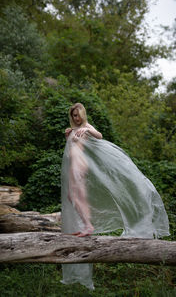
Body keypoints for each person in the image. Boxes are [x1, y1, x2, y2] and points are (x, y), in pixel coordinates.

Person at [60, 102, 170, 289]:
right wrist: (69, 133)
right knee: (74, 196)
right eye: (74, 115)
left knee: (77, 195)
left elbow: (99, 135)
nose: (76, 118)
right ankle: (87, 224)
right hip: (73, 164)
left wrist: (86, 131)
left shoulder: (86, 127)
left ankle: (88, 225)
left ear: (83, 115)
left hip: (80, 163)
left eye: (78, 115)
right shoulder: (71, 129)